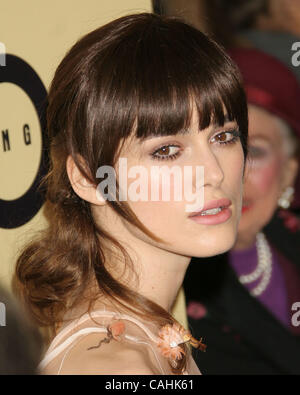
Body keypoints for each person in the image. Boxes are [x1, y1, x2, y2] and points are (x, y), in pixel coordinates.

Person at [12, 12, 248, 375]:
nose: (214, 173)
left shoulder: (146, 335)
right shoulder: (118, 366)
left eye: (223, 136)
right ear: (90, 179)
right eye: (167, 150)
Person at [184, 48, 300, 375]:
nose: (234, 174)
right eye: (223, 142)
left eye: (257, 151)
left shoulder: (291, 242)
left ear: (289, 172)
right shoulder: (175, 289)